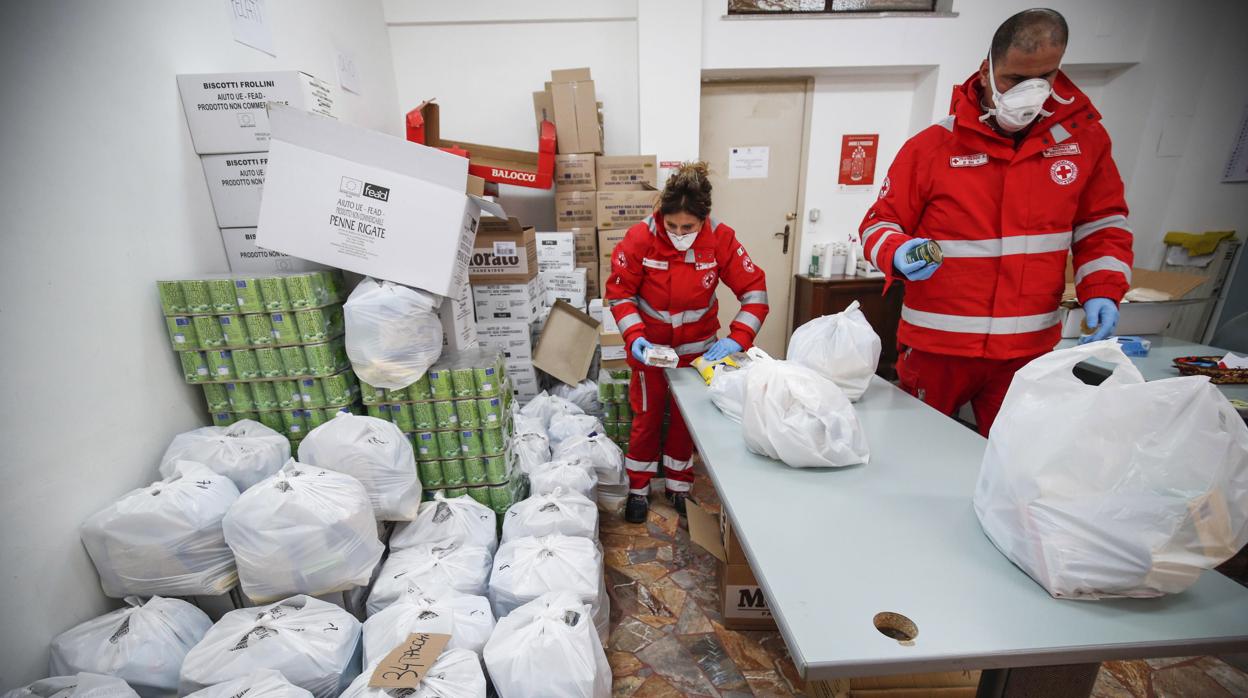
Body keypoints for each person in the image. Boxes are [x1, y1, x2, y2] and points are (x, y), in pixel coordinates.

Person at [859, 8, 1133, 436]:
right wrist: (898, 250)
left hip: (1026, 351)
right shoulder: (932, 147)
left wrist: (1103, 289)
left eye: (1044, 77)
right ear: (986, 70)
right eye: (1013, 80)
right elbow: (879, 223)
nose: (1030, 92)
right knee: (916, 452)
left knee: (1014, 461)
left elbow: (1102, 225)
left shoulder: (1084, 142)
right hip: (938, 348)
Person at [605, 162, 769, 523]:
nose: (679, 233)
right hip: (652, 353)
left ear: (704, 219)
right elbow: (619, 293)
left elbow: (755, 291)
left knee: (686, 421)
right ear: (661, 217)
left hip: (698, 354)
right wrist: (635, 338)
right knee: (646, 419)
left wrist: (738, 338)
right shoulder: (640, 239)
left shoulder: (721, 240)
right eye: (672, 226)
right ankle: (639, 489)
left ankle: (679, 487)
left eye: (688, 227)